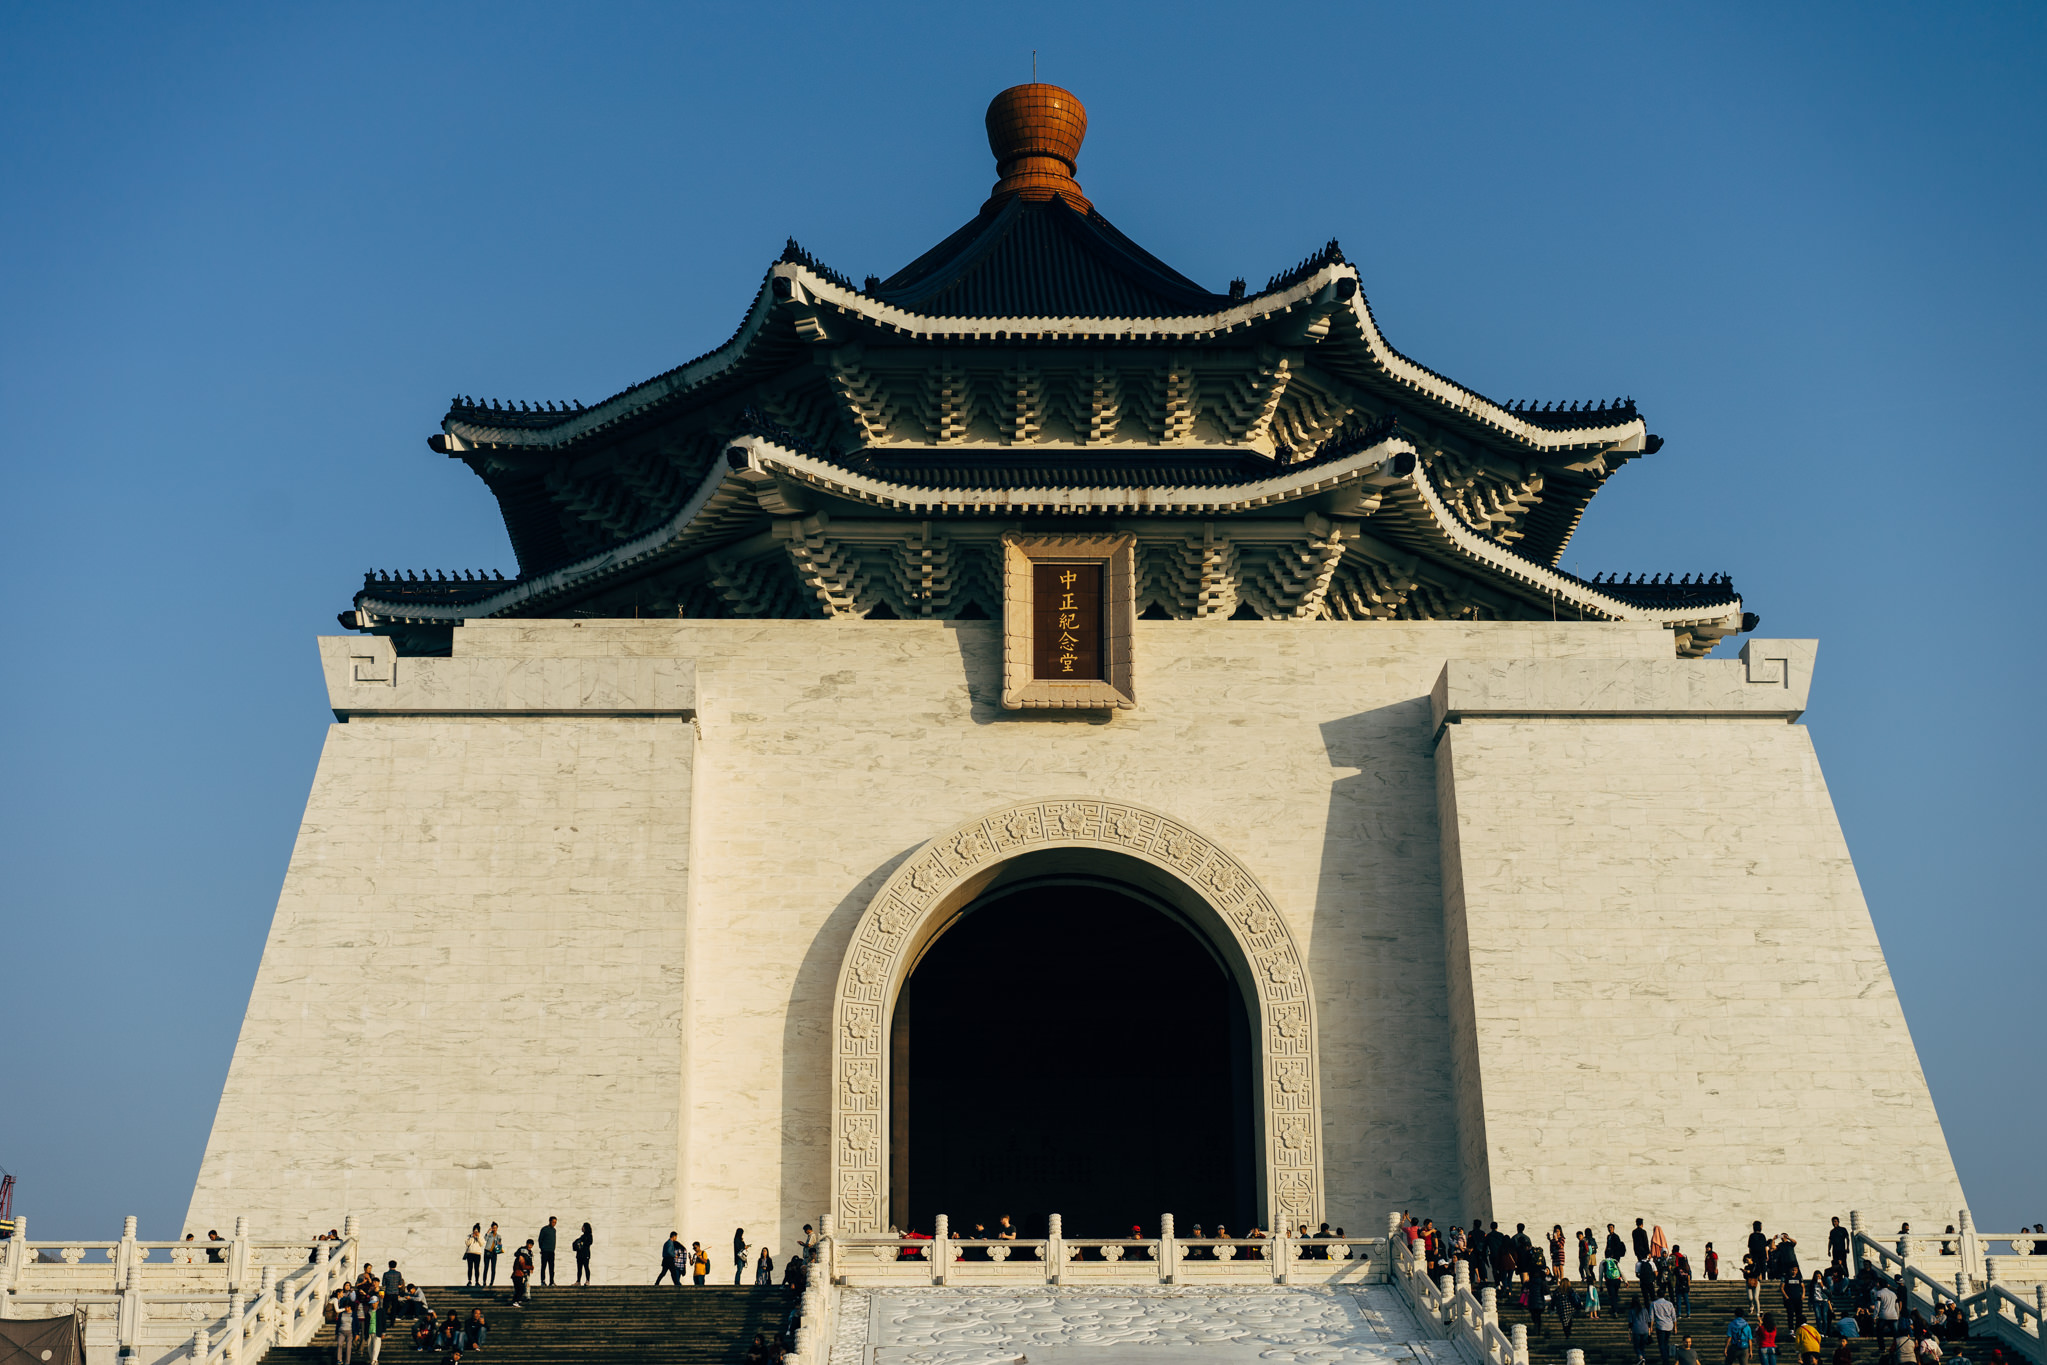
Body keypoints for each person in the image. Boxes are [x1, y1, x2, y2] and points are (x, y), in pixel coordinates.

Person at [1527, 1258, 1550, 1337]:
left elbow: (1524, 1288)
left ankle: (1536, 1329)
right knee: (1538, 1318)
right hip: (1540, 1303)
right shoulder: (1542, 1282)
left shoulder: (1530, 1282)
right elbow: (1546, 1291)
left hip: (1532, 1302)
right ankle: (1538, 1331)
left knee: (1534, 1317)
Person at [1655, 1291, 1679, 1365]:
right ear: (1664, 1295)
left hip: (1660, 1325)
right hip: (1669, 1325)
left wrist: (1650, 1327)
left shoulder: (1654, 1304)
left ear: (1657, 1295)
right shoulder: (1670, 1304)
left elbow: (1651, 1317)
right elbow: (1674, 1316)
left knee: (1661, 1344)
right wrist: (1675, 1327)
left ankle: (1665, 1359)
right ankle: (1666, 1357)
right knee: (1666, 1342)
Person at [1630, 1298, 1654, 1365]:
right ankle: (1643, 1359)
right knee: (1642, 1346)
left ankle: (1640, 1356)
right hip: (1645, 1329)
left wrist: (1629, 1332)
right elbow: (1648, 1320)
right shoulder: (1644, 1310)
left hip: (1636, 1329)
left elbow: (1630, 1322)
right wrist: (1649, 1329)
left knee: (1636, 1346)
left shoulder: (1632, 1311)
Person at [1553, 1275, 1579, 1339]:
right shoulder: (1570, 1290)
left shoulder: (1557, 1291)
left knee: (1564, 1322)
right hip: (1570, 1308)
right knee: (1569, 1320)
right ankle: (1568, 1331)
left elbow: (1554, 1299)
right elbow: (1574, 1298)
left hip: (1561, 1308)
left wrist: (1552, 1307)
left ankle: (1566, 1332)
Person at [510, 1240, 533, 1307]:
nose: (530, 1246)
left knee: (525, 1285)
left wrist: (530, 1268)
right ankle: (517, 1300)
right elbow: (516, 1254)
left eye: (531, 1245)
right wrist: (531, 1267)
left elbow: (530, 1260)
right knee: (520, 1287)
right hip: (520, 1272)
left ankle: (523, 1297)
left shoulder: (530, 1252)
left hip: (524, 1271)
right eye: (529, 1244)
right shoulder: (522, 1250)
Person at [538, 1218, 558, 1287]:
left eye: (555, 1222)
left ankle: (551, 1281)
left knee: (551, 1267)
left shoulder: (554, 1230)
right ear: (550, 1221)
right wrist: (542, 1248)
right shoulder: (544, 1229)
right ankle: (543, 1281)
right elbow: (540, 1239)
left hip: (551, 1251)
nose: (554, 1224)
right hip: (545, 1251)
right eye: (553, 1222)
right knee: (543, 1267)